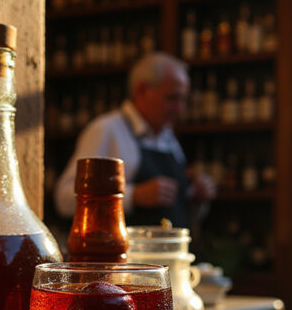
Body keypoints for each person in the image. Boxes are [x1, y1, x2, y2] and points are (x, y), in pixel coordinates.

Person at [54, 52, 215, 227]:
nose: (179, 109)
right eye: (172, 98)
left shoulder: (168, 138)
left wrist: (196, 199)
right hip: (128, 252)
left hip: (171, 251)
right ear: (142, 90)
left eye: (183, 100)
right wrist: (133, 196)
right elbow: (64, 199)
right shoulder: (107, 130)